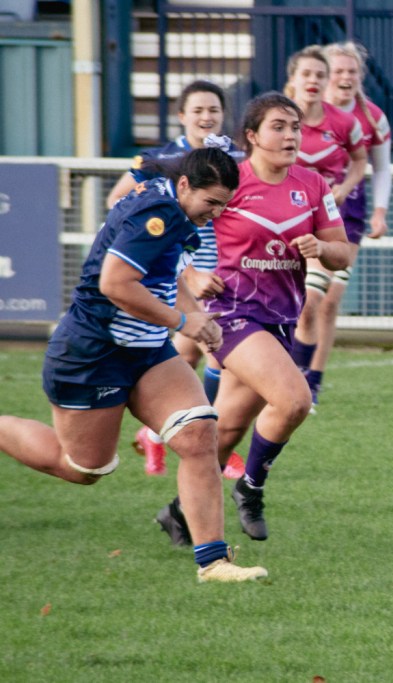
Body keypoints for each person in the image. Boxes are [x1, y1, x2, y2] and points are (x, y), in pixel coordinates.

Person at [0, 148, 267, 583]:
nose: (216, 213)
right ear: (185, 185)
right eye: (211, 203)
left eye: (224, 205)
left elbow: (167, 272)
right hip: (93, 353)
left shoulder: (177, 206)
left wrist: (196, 316)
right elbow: (115, 283)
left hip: (146, 351)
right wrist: (183, 321)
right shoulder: (156, 214)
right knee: (83, 468)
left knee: (199, 435)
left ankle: (214, 563)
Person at [153, 92, 351, 544]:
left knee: (226, 432)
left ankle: (180, 514)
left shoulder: (313, 185)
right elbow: (169, 231)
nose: (290, 135)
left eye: (296, 127)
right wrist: (192, 274)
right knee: (295, 400)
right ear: (252, 136)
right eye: (278, 127)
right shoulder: (229, 177)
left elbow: (342, 252)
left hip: (280, 319)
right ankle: (251, 487)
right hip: (232, 313)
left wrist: (322, 248)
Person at [106, 79, 247, 479]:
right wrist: (187, 270)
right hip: (184, 275)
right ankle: (212, 443)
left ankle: (161, 435)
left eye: (214, 110)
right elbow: (117, 201)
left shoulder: (234, 160)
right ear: (182, 115)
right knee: (214, 353)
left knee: (193, 356)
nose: (206, 117)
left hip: (225, 273)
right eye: (198, 110)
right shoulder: (161, 160)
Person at [290, 41, 392, 410]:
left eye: (353, 71)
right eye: (339, 71)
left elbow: (379, 167)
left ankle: (310, 380)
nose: (345, 77)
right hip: (295, 216)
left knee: (325, 302)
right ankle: (287, 376)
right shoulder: (295, 113)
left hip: (344, 218)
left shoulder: (369, 118)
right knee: (300, 300)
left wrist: (379, 211)